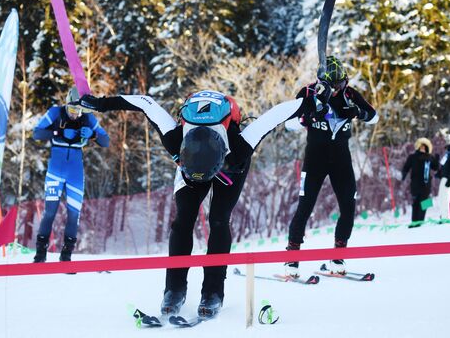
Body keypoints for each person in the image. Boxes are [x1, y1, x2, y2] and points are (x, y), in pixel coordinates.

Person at [74, 88, 317, 317]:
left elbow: (275, 114)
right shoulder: (174, 139)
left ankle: (213, 293)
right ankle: (174, 289)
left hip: (229, 168)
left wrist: (312, 101)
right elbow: (145, 103)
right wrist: (99, 104)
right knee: (183, 220)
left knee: (219, 220)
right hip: (189, 164)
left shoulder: (240, 146)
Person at [285, 56, 379, 278]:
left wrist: (357, 111)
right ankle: (292, 258)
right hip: (314, 159)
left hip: (341, 160)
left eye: (341, 83)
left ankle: (338, 255)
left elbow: (373, 117)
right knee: (305, 206)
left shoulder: (349, 94)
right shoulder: (309, 93)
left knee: (348, 204)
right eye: (334, 85)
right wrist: (306, 116)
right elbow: (289, 124)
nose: (338, 89)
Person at [32, 87, 109, 263]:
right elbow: (37, 133)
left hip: (75, 172)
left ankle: (66, 255)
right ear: (66, 104)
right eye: (72, 109)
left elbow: (106, 141)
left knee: (74, 214)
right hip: (56, 170)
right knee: (50, 212)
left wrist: (93, 135)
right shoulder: (55, 112)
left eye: (79, 110)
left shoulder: (88, 118)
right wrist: (57, 132)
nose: (75, 114)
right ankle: (40, 254)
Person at [401, 137, 440, 228]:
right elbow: (406, 167)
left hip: (426, 185)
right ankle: (414, 222)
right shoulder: (412, 157)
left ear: (427, 148)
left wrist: (437, 159)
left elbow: (435, 168)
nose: (423, 148)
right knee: (415, 203)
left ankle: (421, 222)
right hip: (415, 184)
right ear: (418, 147)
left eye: (424, 147)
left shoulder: (429, 157)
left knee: (425, 203)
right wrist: (403, 175)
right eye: (421, 146)